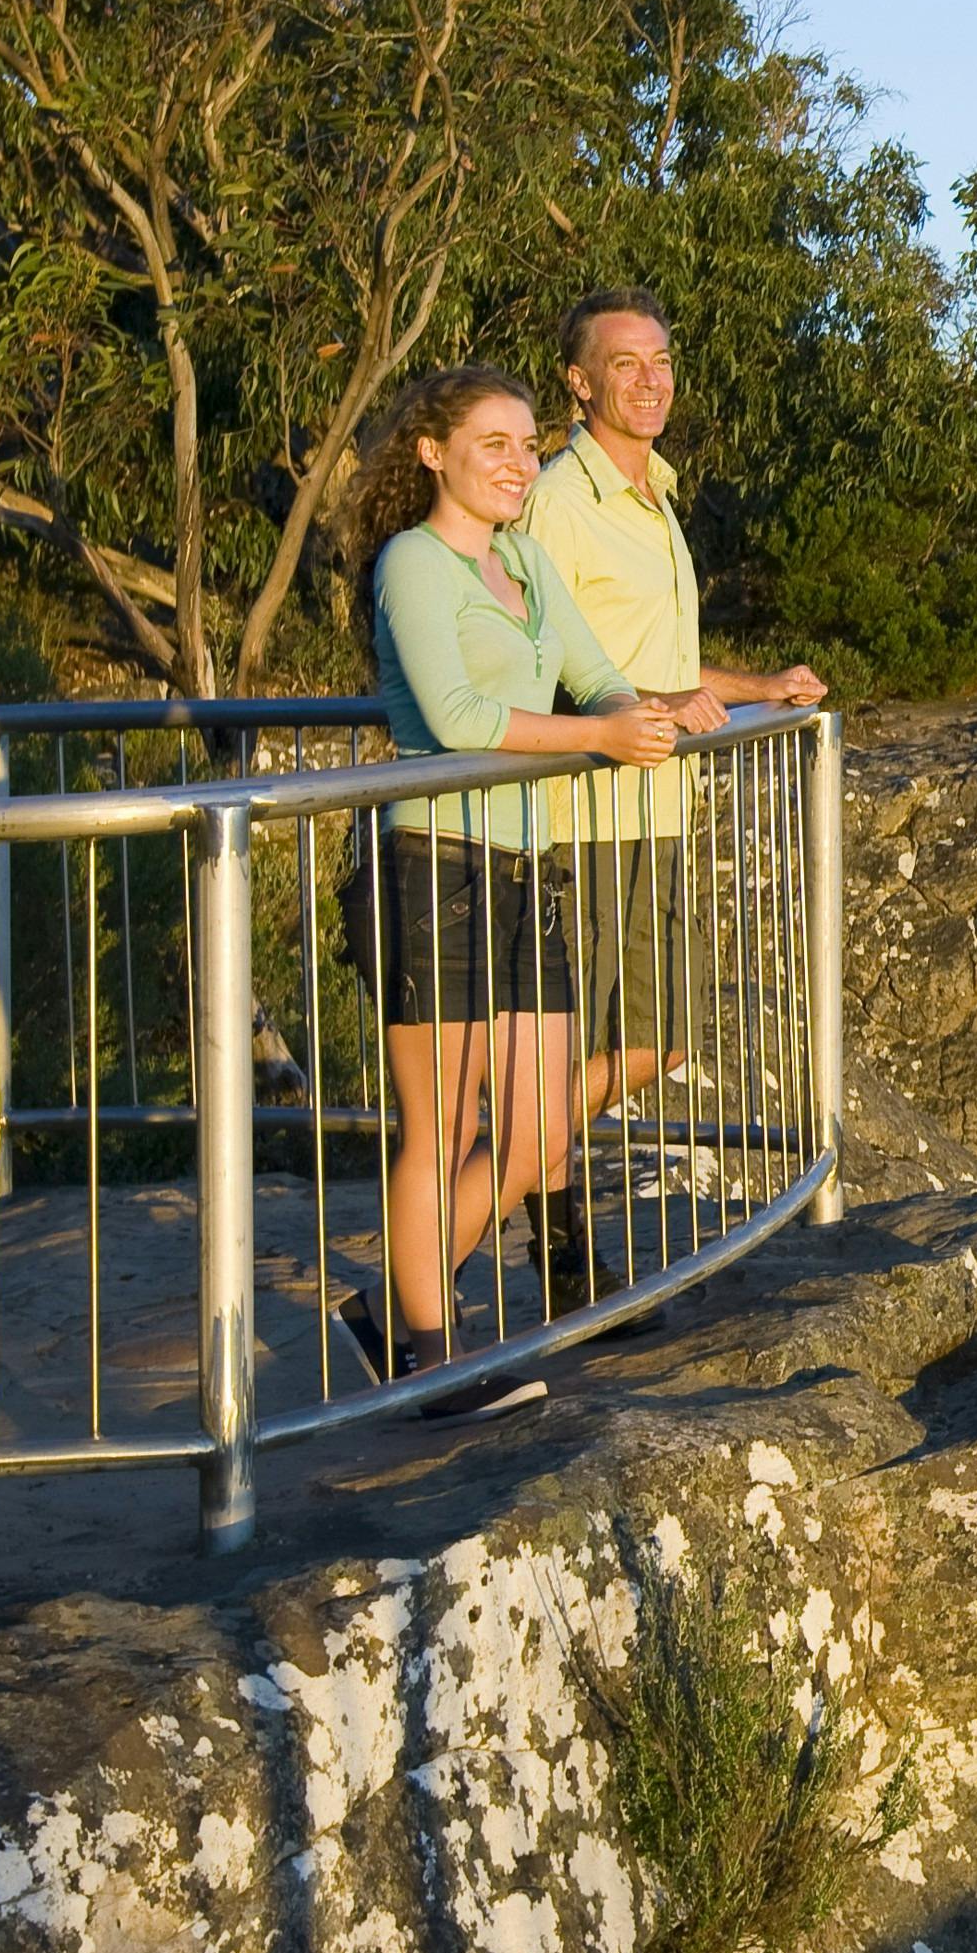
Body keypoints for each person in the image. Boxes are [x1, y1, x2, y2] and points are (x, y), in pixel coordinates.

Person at [348, 365, 713, 1410]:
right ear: (433, 452)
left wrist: (635, 706)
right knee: (445, 1127)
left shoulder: (523, 561)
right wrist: (599, 735)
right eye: (493, 445)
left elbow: (598, 675)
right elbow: (460, 718)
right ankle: (433, 1360)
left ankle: (399, 1316)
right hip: (434, 864)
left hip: (524, 864)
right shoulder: (412, 563)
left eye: (525, 444)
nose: (517, 464)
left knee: (540, 1127)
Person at [517, 292, 825, 1292]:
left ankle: (526, 1159)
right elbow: (544, 666)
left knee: (659, 1039)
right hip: (582, 817)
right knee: (585, 1045)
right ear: (578, 380)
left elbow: (665, 666)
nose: (650, 380)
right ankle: (549, 1239)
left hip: (653, 807)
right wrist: (660, 698)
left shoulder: (654, 494)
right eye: (625, 363)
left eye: (661, 360)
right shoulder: (559, 499)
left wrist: (760, 686)